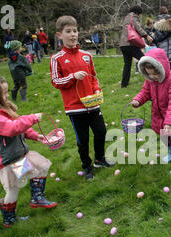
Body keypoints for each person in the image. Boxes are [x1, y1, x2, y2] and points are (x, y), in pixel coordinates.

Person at [0, 74, 57, 228]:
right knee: (13, 189)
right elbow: (11, 128)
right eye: (4, 93)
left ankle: (37, 198)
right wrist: (32, 118)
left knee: (40, 168)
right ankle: (9, 219)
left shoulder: (1, 109)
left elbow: (20, 129)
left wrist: (35, 135)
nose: (7, 95)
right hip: (8, 159)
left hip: (17, 155)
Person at [50, 15, 113, 180]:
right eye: (68, 31)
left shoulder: (87, 56)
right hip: (74, 107)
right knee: (82, 139)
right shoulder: (56, 59)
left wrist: (97, 89)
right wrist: (72, 77)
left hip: (92, 104)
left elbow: (93, 76)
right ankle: (87, 166)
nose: (73, 35)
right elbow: (56, 81)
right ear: (59, 35)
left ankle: (100, 159)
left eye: (75, 31)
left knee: (101, 131)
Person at [131, 48, 171, 174]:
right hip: (158, 114)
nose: (152, 77)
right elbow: (145, 92)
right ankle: (169, 152)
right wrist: (138, 100)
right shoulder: (150, 80)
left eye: (155, 74)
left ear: (162, 69)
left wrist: (169, 122)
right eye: (149, 74)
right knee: (163, 136)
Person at [119, 5, 153, 88]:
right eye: (140, 14)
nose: (140, 16)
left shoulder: (126, 17)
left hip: (123, 45)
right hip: (130, 44)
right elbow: (138, 28)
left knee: (127, 64)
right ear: (137, 13)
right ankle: (152, 79)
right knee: (144, 60)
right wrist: (147, 36)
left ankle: (124, 84)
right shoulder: (133, 17)